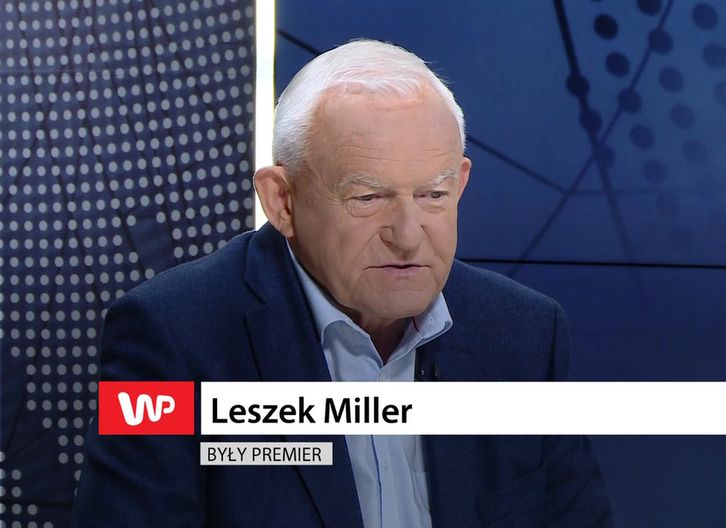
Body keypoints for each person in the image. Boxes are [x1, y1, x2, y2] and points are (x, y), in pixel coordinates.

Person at [71, 39, 613, 528]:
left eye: (433, 195)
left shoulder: (525, 335)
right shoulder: (169, 338)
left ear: (462, 183)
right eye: (367, 198)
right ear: (282, 201)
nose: (407, 236)